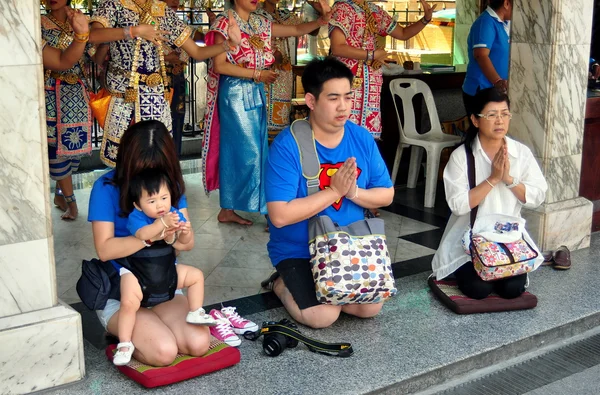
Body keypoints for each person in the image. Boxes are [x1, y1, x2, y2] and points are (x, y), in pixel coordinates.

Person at [264, 57, 394, 328]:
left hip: (349, 245)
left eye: (348, 97)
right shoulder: (287, 146)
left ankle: (331, 293)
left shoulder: (361, 138)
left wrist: (352, 193)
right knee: (322, 316)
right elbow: (279, 216)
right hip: (299, 249)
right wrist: (334, 190)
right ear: (311, 101)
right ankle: (279, 282)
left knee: (370, 307)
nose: (344, 106)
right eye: (333, 98)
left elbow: (386, 194)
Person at [88, 120, 210, 367]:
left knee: (198, 344)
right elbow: (104, 250)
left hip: (161, 283)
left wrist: (179, 231)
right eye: (141, 170)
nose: (151, 180)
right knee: (164, 351)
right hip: (122, 291)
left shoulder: (170, 185)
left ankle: (152, 325)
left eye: (158, 169)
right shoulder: (105, 187)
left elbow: (186, 244)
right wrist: (150, 235)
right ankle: (124, 335)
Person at [202, 0, 332, 226]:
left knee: (258, 150)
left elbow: (294, 30)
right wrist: (256, 74)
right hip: (235, 93)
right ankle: (265, 209)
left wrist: (320, 21)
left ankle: (230, 208)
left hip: (255, 89)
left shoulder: (260, 22)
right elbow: (220, 66)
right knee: (247, 151)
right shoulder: (225, 22)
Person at [88, 0, 242, 167]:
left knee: (155, 161)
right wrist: (133, 31)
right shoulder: (114, 4)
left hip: (154, 98)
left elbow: (197, 52)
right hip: (125, 97)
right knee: (126, 162)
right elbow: (93, 35)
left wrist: (229, 44)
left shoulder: (162, 10)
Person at [431, 88, 547, 299]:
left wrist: (509, 180)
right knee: (479, 289)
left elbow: (537, 197)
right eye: (492, 115)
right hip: (471, 242)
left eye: (504, 114)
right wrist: (493, 179)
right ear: (475, 120)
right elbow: (458, 205)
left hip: (507, 238)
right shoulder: (461, 157)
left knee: (512, 290)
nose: (500, 121)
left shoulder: (520, 153)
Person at [112, 169, 216, 366]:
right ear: (138, 205)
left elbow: (181, 242)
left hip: (164, 268)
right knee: (128, 303)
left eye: (164, 198)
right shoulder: (137, 217)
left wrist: (184, 231)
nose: (160, 205)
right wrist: (162, 224)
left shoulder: (173, 213)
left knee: (195, 276)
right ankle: (125, 343)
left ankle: (195, 311)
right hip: (137, 271)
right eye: (151, 201)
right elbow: (143, 235)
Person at [329, 0, 436, 139]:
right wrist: (371, 55)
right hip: (346, 78)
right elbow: (338, 47)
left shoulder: (374, 10)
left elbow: (403, 33)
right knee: (342, 133)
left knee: (367, 138)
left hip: (370, 84)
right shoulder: (341, 8)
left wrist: (425, 19)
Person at [42, 1, 97, 220]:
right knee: (58, 152)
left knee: (74, 152)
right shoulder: (40, 24)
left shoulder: (79, 20)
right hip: (51, 93)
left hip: (77, 92)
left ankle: (59, 193)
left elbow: (92, 52)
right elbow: (57, 60)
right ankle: (71, 203)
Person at [462, 0, 512, 118]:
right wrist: (497, 81)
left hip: (495, 92)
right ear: (506, 3)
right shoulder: (485, 22)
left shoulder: (503, 24)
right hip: (481, 90)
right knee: (483, 132)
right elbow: (481, 55)